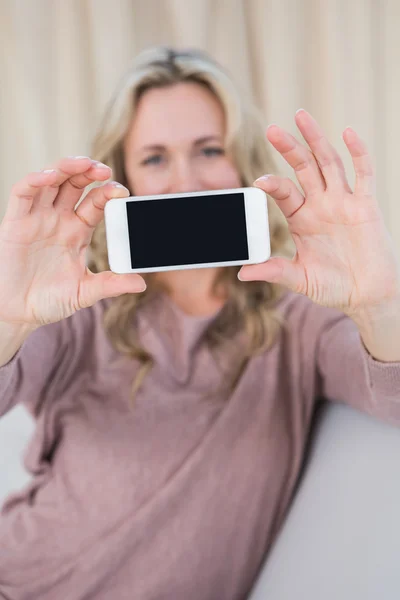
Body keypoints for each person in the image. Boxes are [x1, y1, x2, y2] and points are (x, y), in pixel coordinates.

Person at [0, 46, 399, 600]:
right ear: (128, 178)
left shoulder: (298, 322)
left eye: (209, 149)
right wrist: (7, 315)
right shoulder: (79, 308)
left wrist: (382, 302)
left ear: (241, 161)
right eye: (156, 158)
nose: (185, 180)